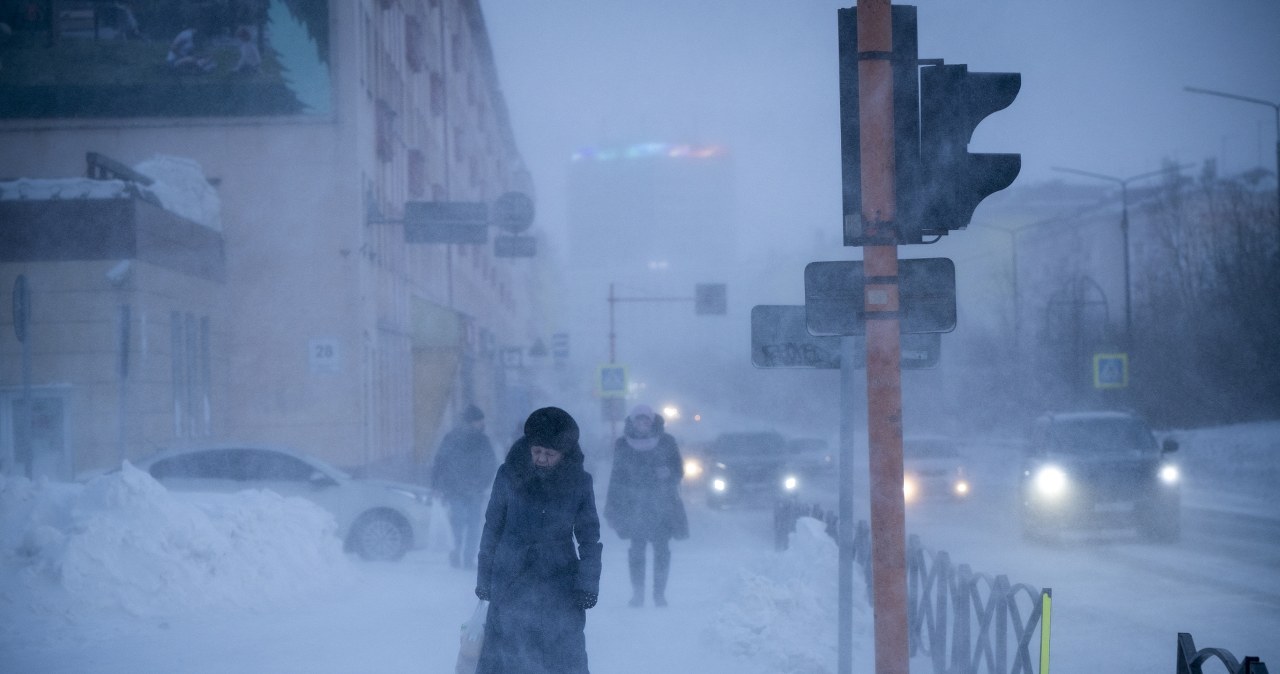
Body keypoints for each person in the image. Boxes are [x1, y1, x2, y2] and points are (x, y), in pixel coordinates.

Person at [475, 407, 602, 674]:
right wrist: (484, 579)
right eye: (537, 451)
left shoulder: (579, 483)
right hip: (510, 580)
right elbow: (492, 528)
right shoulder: (508, 475)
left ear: (563, 454)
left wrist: (588, 584)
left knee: (562, 657)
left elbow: (589, 538)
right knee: (509, 656)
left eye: (549, 454)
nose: (541, 459)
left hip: (559, 584)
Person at [604, 404, 688, 607]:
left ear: (652, 421)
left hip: (662, 505)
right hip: (634, 505)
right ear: (633, 422)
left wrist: (669, 473)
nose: (643, 423)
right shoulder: (623, 444)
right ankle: (638, 594)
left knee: (661, 549)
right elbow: (617, 476)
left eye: (646, 420)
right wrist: (613, 505)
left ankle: (659, 594)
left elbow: (679, 470)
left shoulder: (667, 441)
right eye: (639, 420)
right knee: (637, 549)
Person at [431, 404, 497, 569]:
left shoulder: (456, 438)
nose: (482, 423)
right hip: (464, 489)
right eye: (479, 420)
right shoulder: (479, 440)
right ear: (472, 421)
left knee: (461, 524)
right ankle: (462, 557)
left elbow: (439, 462)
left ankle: (461, 556)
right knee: (467, 525)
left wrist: (437, 484)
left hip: (459, 489)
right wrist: (481, 483)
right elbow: (490, 464)